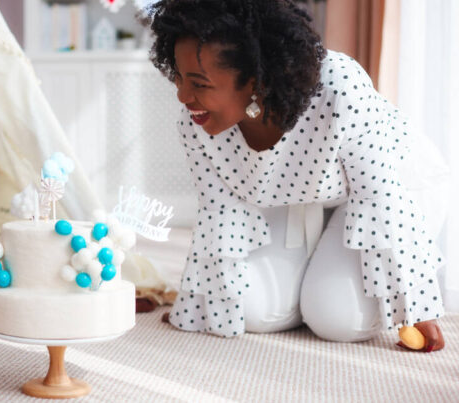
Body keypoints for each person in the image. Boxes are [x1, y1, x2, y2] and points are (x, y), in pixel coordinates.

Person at [145, 0, 449, 351]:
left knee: (336, 318)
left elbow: (382, 197)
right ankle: (317, 274)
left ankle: (323, 286)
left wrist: (415, 302)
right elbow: (220, 211)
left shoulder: (338, 86)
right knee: (246, 309)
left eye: (198, 83)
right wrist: (199, 300)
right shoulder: (197, 122)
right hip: (306, 197)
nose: (183, 96)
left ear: (256, 78)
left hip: (397, 189)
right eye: (179, 78)